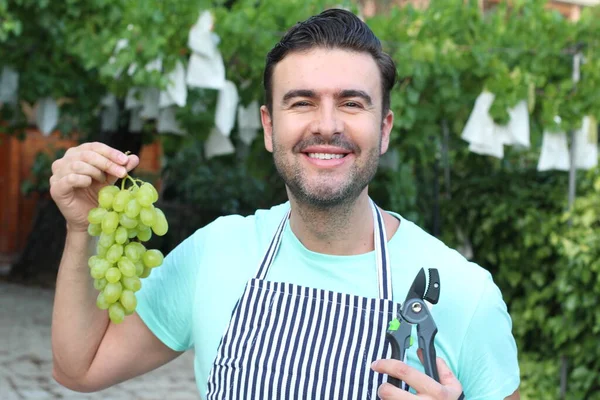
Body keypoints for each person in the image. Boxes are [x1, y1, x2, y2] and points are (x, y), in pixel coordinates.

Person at [49, 8, 520, 400]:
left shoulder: (465, 293)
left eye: (353, 103)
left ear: (385, 128)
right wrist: (79, 231)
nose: (327, 125)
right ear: (269, 127)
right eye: (302, 103)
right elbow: (79, 368)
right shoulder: (217, 252)